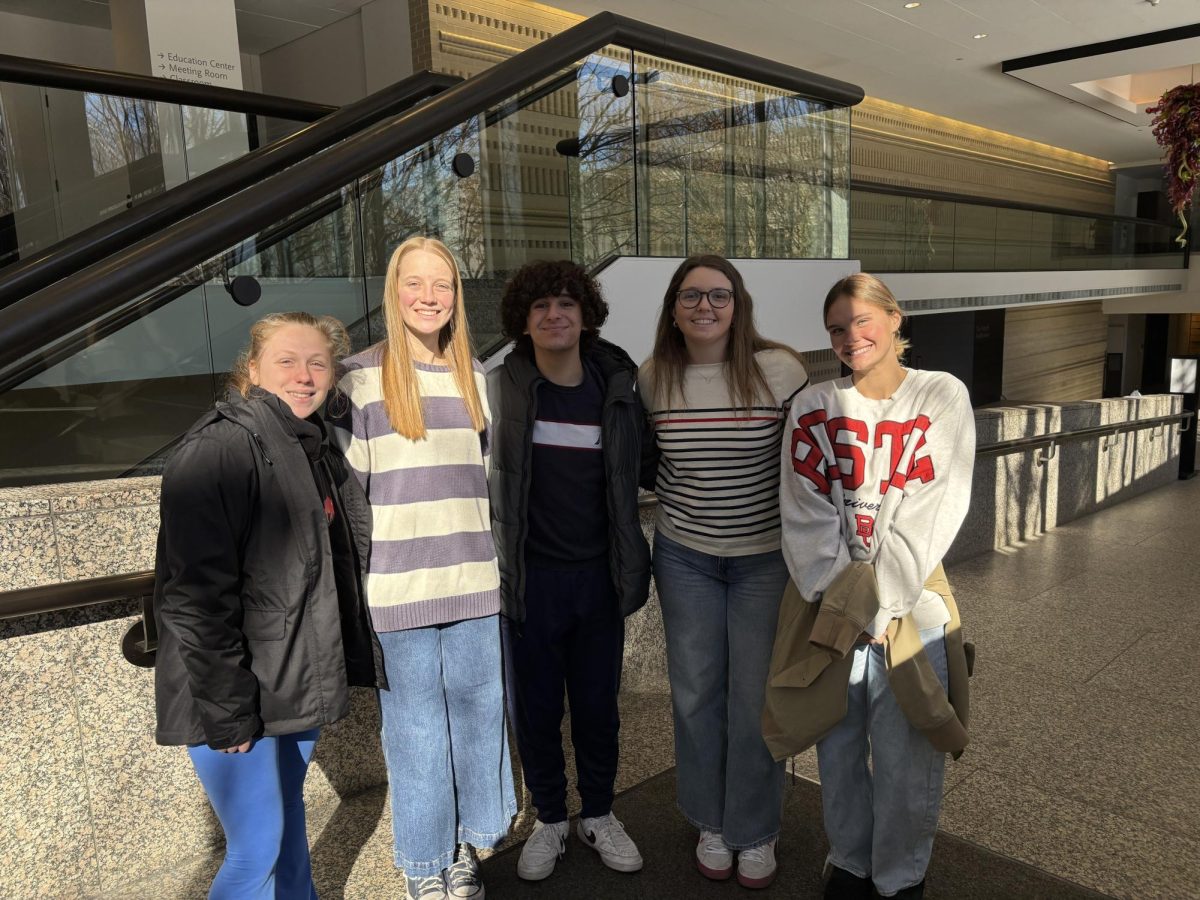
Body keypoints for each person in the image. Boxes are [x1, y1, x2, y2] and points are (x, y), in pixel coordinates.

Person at [154, 311, 385, 900]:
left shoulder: (310, 448)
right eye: (287, 360)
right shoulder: (220, 448)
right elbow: (193, 600)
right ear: (252, 369)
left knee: (285, 835)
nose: (304, 375)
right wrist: (229, 711)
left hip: (290, 684)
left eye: (318, 363)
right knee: (255, 850)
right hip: (231, 697)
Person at [779, 273, 975, 900]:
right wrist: (851, 610)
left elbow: (932, 514)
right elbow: (805, 518)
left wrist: (883, 608)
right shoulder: (812, 406)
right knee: (836, 749)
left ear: (896, 320)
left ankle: (900, 876)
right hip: (830, 610)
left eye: (862, 320)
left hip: (911, 607)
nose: (849, 336)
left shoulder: (940, 396)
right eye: (837, 327)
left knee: (907, 753)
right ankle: (851, 861)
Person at [332, 236, 515, 900]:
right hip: (398, 593)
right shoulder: (358, 379)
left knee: (476, 725)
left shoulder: (478, 380)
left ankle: (462, 845)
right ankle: (422, 862)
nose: (430, 297)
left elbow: (485, 488)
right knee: (414, 739)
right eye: (416, 283)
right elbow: (351, 501)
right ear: (393, 290)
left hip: (472, 587)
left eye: (442, 285)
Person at [639, 254, 809, 889]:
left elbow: (811, 465)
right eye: (690, 296)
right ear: (673, 309)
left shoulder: (780, 369)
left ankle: (755, 828)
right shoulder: (653, 377)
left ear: (739, 305)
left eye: (718, 295)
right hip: (684, 556)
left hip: (764, 559)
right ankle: (710, 821)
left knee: (754, 698)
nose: (704, 306)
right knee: (695, 695)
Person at [488, 260, 657, 882]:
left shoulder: (617, 388)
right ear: (523, 323)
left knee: (596, 706)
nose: (553, 315)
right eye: (540, 308)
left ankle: (600, 813)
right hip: (531, 582)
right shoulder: (501, 390)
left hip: (598, 580)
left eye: (565, 304)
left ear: (586, 315)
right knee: (535, 708)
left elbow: (652, 467)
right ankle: (551, 818)